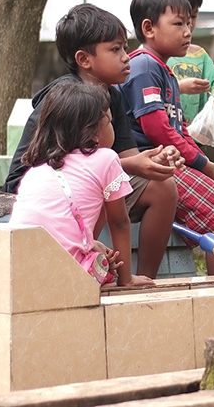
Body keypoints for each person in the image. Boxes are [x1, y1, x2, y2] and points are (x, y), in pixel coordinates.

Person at [3, 4, 180, 279]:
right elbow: (50, 162)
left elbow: (127, 158)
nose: (126, 57)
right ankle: (96, 267)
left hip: (86, 183)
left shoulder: (113, 95)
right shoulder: (62, 98)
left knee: (162, 187)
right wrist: (131, 164)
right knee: (102, 186)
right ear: (84, 59)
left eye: (124, 48)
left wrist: (153, 160)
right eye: (115, 50)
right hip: (42, 187)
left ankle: (146, 277)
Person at [118, 0, 214, 276]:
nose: (188, 31)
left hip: (171, 163)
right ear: (148, 28)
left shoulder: (164, 70)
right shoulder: (144, 68)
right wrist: (202, 164)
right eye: (178, 24)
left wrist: (206, 167)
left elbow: (179, 129)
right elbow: (158, 130)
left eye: (189, 23)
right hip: (150, 165)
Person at [9, 82, 155, 288]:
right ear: (93, 132)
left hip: (21, 270)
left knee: (97, 254)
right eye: (110, 123)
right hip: (65, 276)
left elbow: (55, 228)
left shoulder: (36, 170)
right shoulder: (106, 159)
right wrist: (127, 279)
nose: (113, 128)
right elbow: (120, 222)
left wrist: (91, 244)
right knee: (104, 268)